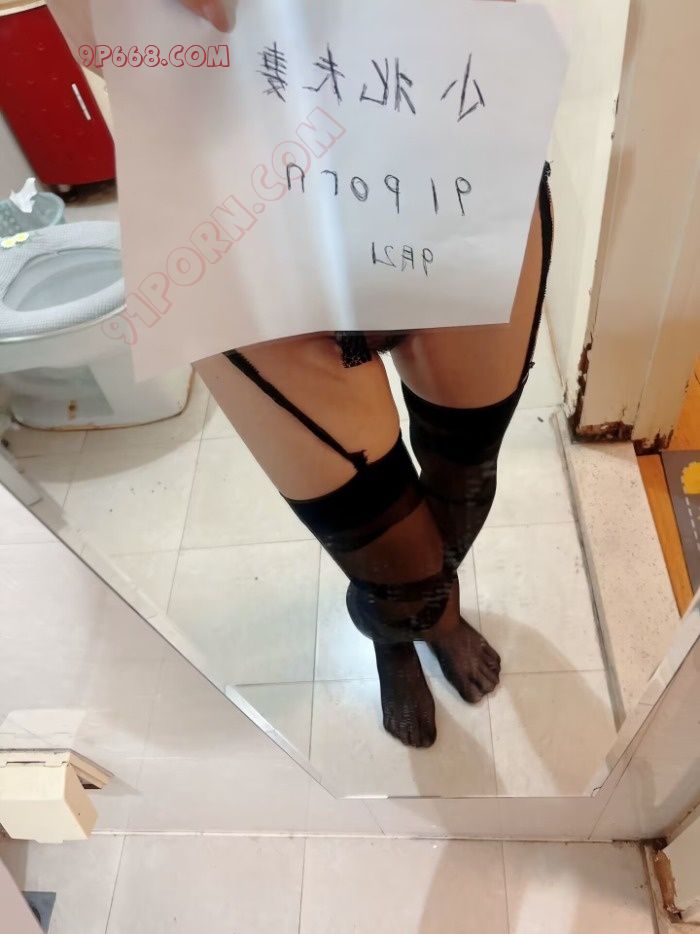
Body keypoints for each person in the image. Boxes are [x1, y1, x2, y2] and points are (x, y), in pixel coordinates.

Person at [49, 0, 552, 748]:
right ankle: (404, 620)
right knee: (387, 540)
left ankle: (414, 610)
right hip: (234, 187)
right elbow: (96, 43)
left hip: (447, 139)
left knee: (466, 475)